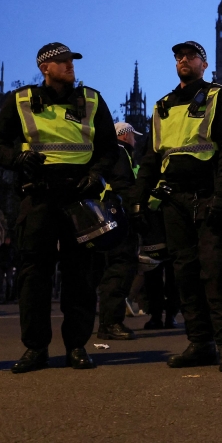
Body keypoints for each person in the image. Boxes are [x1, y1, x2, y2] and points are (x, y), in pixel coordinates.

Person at [0, 42, 118, 373]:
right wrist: (16, 158)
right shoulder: (21, 100)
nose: (70, 65)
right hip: (39, 196)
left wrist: (95, 173)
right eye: (62, 61)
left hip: (79, 197)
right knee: (34, 276)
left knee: (81, 276)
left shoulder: (91, 100)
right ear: (45, 67)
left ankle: (76, 346)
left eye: (71, 60)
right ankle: (35, 348)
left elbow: (107, 147)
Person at [131, 40, 222, 372]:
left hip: (209, 196)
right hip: (174, 201)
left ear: (205, 63)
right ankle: (200, 343)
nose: (184, 60)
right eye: (179, 57)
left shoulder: (219, 98)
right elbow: (151, 159)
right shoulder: (163, 107)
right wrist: (139, 201)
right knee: (185, 275)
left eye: (191, 56)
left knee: (218, 273)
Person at [95, 122, 141, 341]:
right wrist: (136, 209)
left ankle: (108, 320)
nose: (136, 139)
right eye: (133, 135)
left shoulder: (112, 153)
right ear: (124, 136)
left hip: (108, 215)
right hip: (119, 216)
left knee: (113, 269)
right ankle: (111, 323)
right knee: (121, 267)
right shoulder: (121, 153)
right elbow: (123, 185)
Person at [0, 236, 17, 303]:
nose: (7, 241)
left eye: (8, 239)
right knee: (0, 281)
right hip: (2, 266)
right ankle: (1, 296)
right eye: (6, 240)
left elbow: (15, 257)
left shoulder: (12, 248)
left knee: (9, 281)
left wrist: (13, 264)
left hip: (9, 266)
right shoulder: (1, 248)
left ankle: (8, 296)